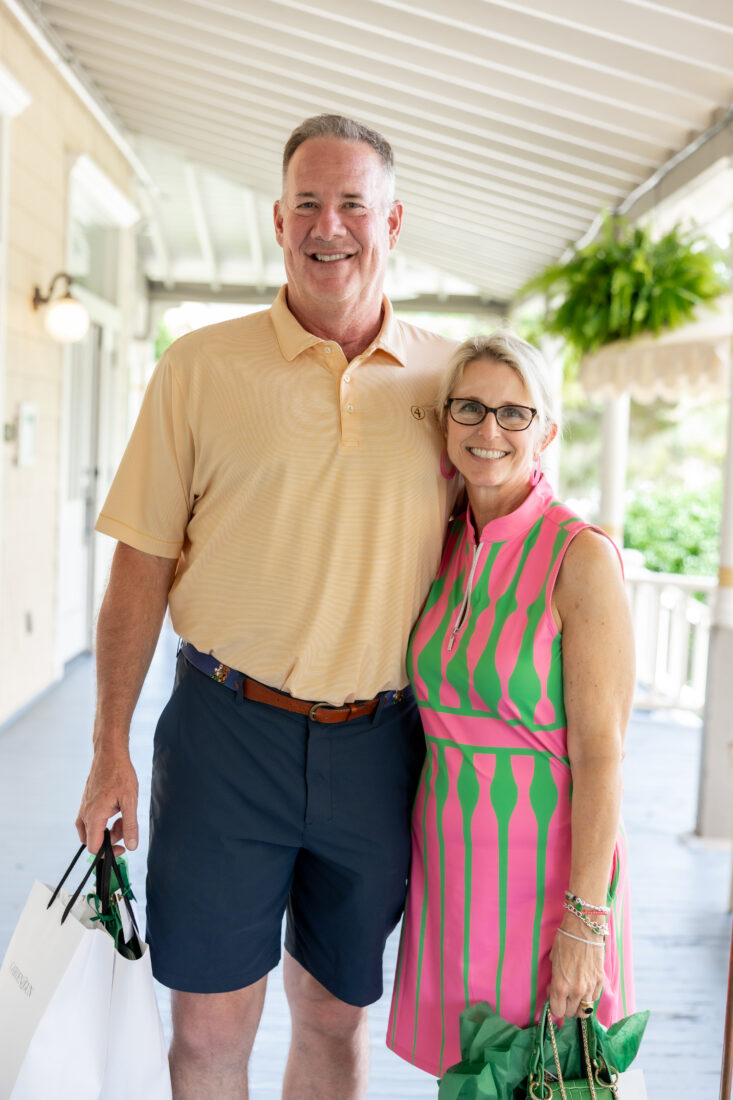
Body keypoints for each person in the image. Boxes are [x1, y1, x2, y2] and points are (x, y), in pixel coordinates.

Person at [75, 114, 456, 1100]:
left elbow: (510, 538)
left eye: (354, 204)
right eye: (309, 204)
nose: (331, 225)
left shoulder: (451, 381)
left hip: (380, 742)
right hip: (222, 734)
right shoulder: (198, 367)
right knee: (205, 1028)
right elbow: (140, 565)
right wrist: (108, 741)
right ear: (278, 222)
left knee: (333, 1021)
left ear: (394, 219)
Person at [387, 331, 635, 1078]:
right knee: (465, 1077)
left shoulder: (579, 556)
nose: (487, 430)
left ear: (547, 430)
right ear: (444, 421)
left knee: (546, 1076)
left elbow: (602, 753)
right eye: (468, 408)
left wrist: (585, 922)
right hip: (450, 866)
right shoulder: (440, 544)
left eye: (512, 412)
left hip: (547, 876)